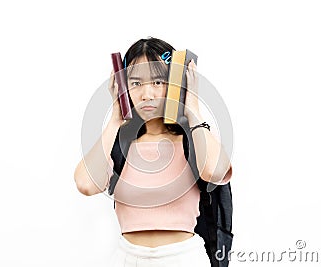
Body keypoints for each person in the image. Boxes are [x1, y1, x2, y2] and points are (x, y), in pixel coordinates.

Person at [74, 37, 232, 266]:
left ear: (177, 84)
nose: (146, 94)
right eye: (136, 83)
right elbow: (86, 184)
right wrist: (115, 120)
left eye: (158, 82)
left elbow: (215, 173)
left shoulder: (194, 140)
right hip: (126, 258)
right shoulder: (119, 144)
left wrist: (193, 109)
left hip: (183, 258)